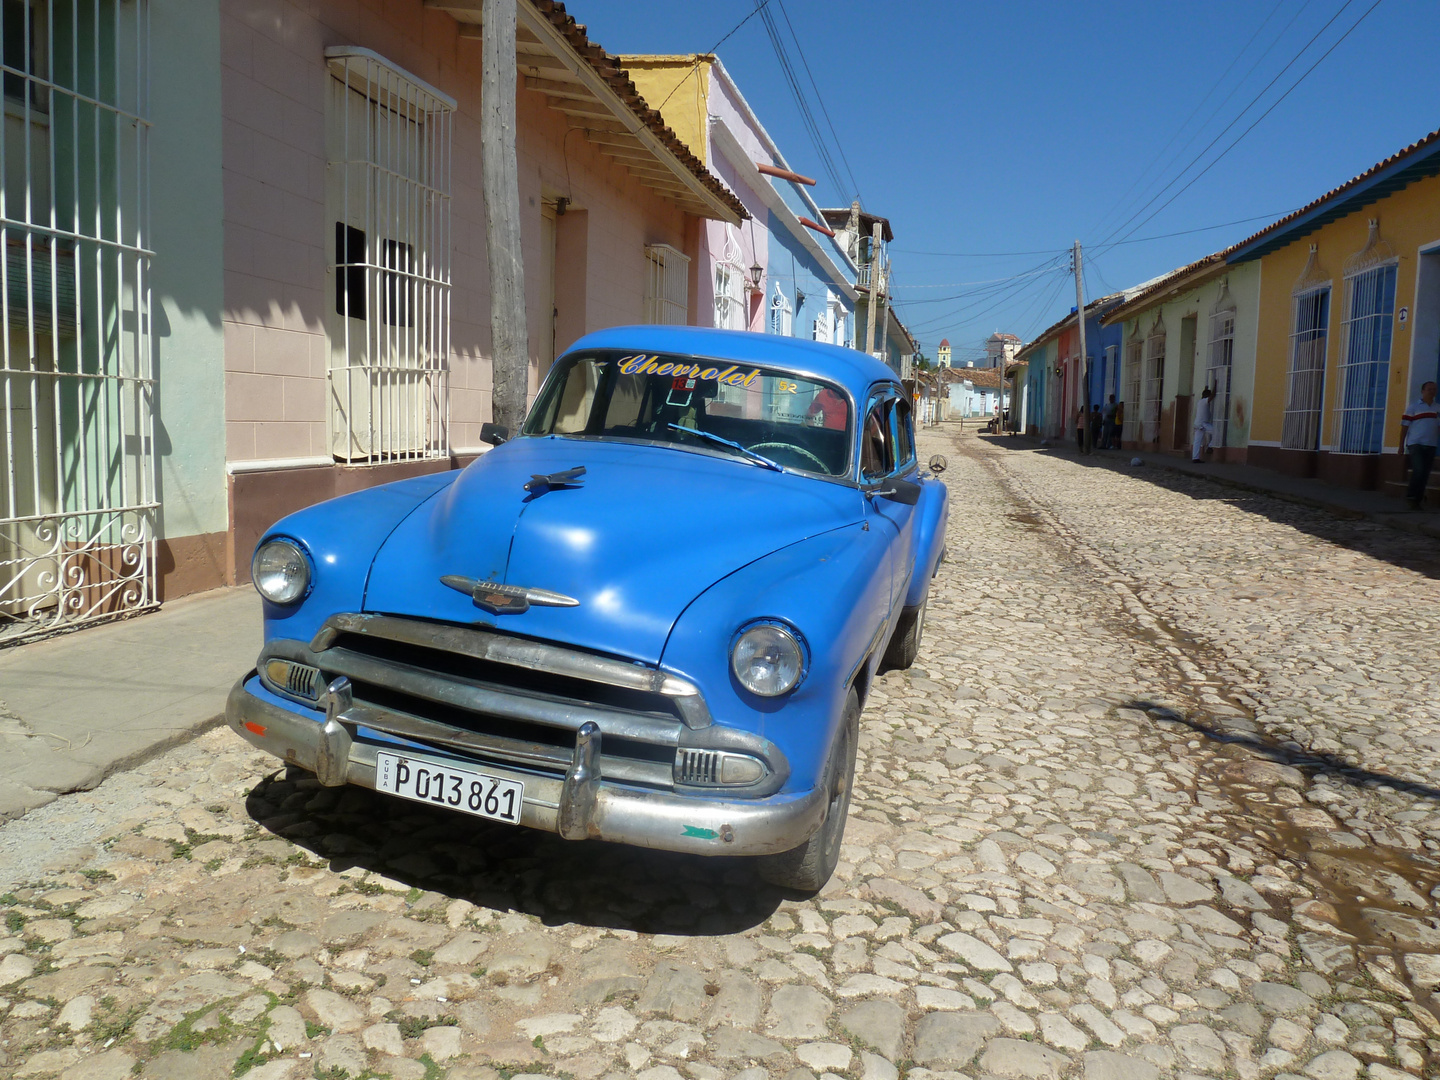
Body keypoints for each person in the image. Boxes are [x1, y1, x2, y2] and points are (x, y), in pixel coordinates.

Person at [1400, 380, 1438, 510]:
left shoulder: (1437, 408)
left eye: (1434, 389)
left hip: (1431, 444)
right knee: (1419, 470)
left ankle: (1417, 500)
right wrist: (1401, 445)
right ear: (1423, 391)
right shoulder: (1413, 407)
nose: (1432, 392)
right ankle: (1411, 496)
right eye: (1429, 389)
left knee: (1425, 473)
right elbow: (1404, 427)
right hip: (1416, 443)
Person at [1192, 386, 1215, 462]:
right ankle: (1210, 446)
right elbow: (1211, 397)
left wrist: (1206, 388)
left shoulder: (1200, 402)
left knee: (1197, 441)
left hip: (1198, 424)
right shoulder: (1204, 401)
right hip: (1203, 424)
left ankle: (1195, 458)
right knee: (1217, 432)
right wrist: (1215, 386)